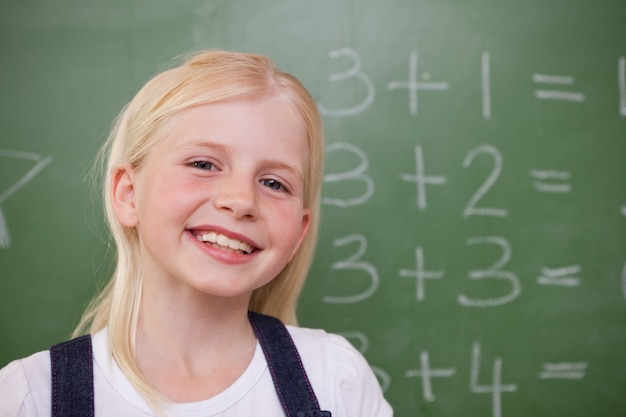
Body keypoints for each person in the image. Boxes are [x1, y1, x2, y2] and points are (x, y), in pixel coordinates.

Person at [0, 49, 393, 417]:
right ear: (129, 193)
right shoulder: (30, 395)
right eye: (204, 164)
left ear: (299, 232)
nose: (241, 200)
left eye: (274, 184)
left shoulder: (335, 378)